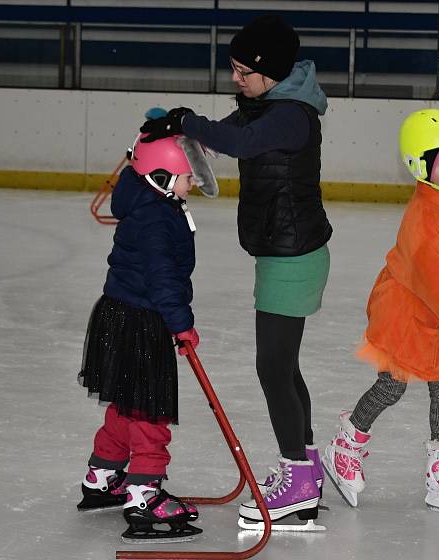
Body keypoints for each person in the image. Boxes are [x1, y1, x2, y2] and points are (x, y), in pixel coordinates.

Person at [139, 14, 332, 529]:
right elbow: (226, 133)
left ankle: (294, 481)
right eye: (234, 69)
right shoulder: (265, 105)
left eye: (244, 71)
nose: (236, 79)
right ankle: (306, 470)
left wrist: (187, 122)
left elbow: (241, 145)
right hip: (283, 252)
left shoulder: (293, 114)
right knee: (284, 367)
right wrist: (180, 126)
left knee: (273, 368)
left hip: (294, 258)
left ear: (271, 71)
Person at [322, 109, 439, 521]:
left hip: (434, 309)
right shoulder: (426, 219)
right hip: (406, 309)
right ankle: (346, 442)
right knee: (393, 386)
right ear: (421, 167)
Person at [76, 131, 218, 543]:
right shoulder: (156, 217)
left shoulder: (148, 202)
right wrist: (180, 322)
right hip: (142, 319)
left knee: (127, 404)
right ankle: (143, 495)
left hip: (121, 314)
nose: (192, 183)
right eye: (187, 176)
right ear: (160, 176)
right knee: (150, 411)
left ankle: (101, 477)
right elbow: (162, 279)